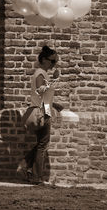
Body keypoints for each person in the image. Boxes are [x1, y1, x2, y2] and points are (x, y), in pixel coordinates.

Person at [17, 45, 63, 185]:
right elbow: (40, 91)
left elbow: (44, 95)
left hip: (44, 109)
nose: (54, 64)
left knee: (41, 144)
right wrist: (54, 80)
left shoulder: (42, 73)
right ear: (43, 60)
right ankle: (36, 177)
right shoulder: (40, 73)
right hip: (42, 111)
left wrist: (55, 105)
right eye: (52, 61)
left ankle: (25, 166)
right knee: (43, 145)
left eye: (55, 61)